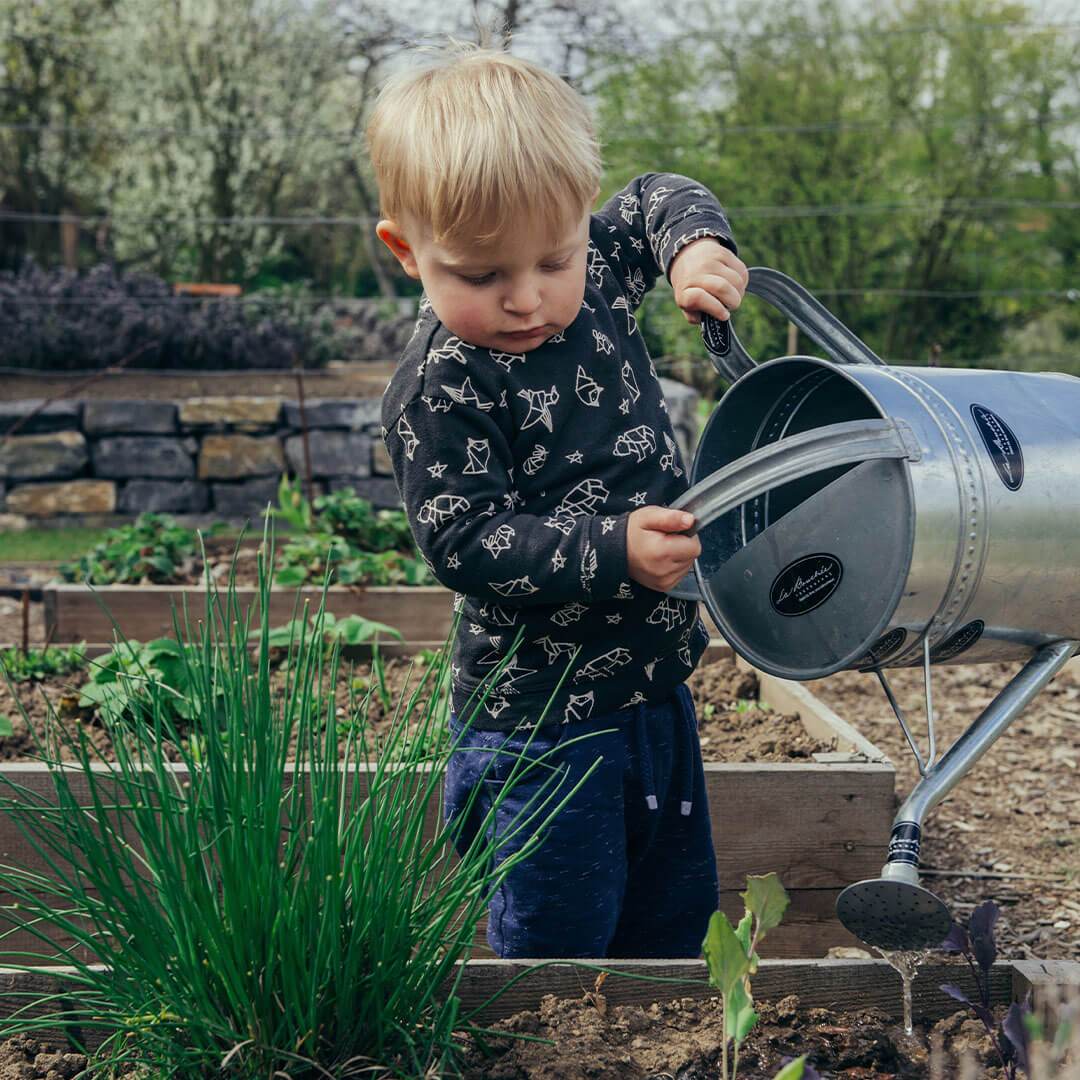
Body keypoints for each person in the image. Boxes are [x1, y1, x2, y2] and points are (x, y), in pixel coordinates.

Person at [369, 43, 748, 959]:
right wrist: (612, 548)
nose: (527, 298)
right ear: (405, 251)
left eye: (554, 258)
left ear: (581, 221)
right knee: (560, 946)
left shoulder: (602, 270)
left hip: (657, 692)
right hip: (541, 727)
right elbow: (464, 540)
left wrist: (697, 246)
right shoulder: (442, 387)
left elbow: (659, 192)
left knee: (670, 919)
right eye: (479, 275)